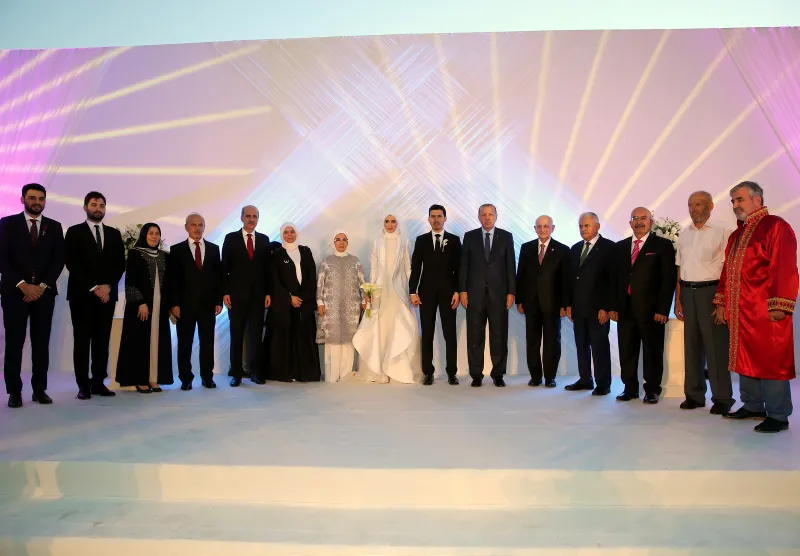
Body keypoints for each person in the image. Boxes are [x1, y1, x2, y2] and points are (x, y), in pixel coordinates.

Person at [715, 181, 798, 433]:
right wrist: (721, 302)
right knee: (743, 357)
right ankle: (752, 405)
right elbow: (727, 272)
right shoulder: (737, 234)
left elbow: (783, 266)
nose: (735, 205)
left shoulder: (775, 226)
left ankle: (778, 414)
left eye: (739, 199)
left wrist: (779, 303)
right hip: (740, 309)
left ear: (757, 199)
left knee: (771, 359)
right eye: (733, 201)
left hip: (764, 309)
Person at [0, 183, 65, 408]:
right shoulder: (7, 224)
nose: (37, 202)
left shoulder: (54, 227)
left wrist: (41, 287)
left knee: (41, 343)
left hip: (44, 295)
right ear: (22, 199)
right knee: (14, 344)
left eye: (41, 198)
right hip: (14, 293)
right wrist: (22, 285)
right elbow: (2, 259)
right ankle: (14, 392)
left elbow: (58, 260)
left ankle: (39, 390)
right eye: (32, 198)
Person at [674, 191, 734, 415]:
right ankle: (694, 395)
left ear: (710, 206)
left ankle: (722, 397)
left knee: (715, 346)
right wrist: (678, 299)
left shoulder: (723, 230)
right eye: (690, 205)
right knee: (691, 345)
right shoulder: (684, 234)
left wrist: (722, 300)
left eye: (698, 204)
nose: (694, 209)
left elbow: (728, 268)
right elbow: (680, 268)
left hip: (711, 291)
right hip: (687, 292)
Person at [609, 207, 676, 404]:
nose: (639, 222)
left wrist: (663, 309)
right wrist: (613, 306)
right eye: (635, 218)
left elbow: (668, 280)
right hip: (625, 309)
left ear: (651, 221)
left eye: (643, 218)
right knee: (627, 351)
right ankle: (629, 388)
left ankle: (652, 390)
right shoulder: (620, 247)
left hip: (652, 311)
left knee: (652, 351)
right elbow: (614, 279)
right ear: (630, 222)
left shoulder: (663, 245)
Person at [64, 191, 125, 400]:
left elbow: (120, 264)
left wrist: (107, 286)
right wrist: (94, 287)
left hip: (107, 296)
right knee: (82, 341)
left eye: (101, 205)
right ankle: (83, 385)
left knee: (102, 340)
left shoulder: (113, 234)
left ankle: (98, 382)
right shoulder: (74, 232)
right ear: (85, 207)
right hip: (81, 296)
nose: (98, 209)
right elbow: (72, 263)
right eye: (93, 205)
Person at [353, 214, 421, 384]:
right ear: (383, 223)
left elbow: (408, 268)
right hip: (380, 292)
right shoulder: (377, 242)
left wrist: (413, 291)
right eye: (387, 221)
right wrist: (370, 291)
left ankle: (398, 370)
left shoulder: (404, 241)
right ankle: (379, 372)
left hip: (398, 293)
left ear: (397, 223)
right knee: (380, 328)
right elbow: (374, 268)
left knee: (399, 326)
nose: (390, 224)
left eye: (393, 221)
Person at [459, 204, 516, 387]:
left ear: (496, 216)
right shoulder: (470, 236)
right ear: (478, 217)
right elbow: (464, 265)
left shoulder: (506, 237)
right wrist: (463, 290)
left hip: (499, 295)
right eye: (483, 214)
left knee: (499, 335)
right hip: (474, 294)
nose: (487, 217)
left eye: (490, 214)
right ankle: (476, 374)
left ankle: (498, 374)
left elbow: (510, 266)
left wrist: (511, 291)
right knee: (475, 335)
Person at [115, 223, 173, 392]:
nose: (154, 236)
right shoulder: (135, 254)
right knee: (140, 343)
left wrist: (170, 305)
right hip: (140, 307)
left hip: (160, 307)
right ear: (144, 235)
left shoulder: (164, 256)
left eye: (157, 233)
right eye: (151, 233)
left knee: (157, 341)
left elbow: (169, 283)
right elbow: (130, 282)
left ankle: (153, 378)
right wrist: (140, 302)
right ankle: (140, 379)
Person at [169, 213, 224, 390]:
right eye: (193, 225)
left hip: (208, 305)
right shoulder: (176, 250)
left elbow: (218, 278)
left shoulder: (214, 249)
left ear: (204, 227)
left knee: (207, 343)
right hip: (184, 306)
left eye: (200, 224)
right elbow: (172, 280)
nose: (197, 228)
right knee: (185, 343)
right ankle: (186, 378)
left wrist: (218, 301)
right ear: (186, 227)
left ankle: (207, 377)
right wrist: (174, 304)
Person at [409, 204, 462, 386]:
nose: (436, 220)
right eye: (433, 216)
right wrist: (412, 291)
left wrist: (457, 291)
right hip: (426, 293)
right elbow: (416, 267)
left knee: (450, 333)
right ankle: (428, 372)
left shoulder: (454, 240)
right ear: (428, 219)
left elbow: (459, 269)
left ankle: (452, 372)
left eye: (440, 216)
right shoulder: (421, 240)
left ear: (445, 219)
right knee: (427, 333)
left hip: (449, 293)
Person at [516, 215, 570, 388]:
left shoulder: (563, 249)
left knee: (552, 342)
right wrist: (520, 300)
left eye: (546, 226)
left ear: (553, 228)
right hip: (531, 303)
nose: (542, 229)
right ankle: (535, 376)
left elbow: (565, 280)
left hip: (553, 304)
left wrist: (565, 304)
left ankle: (550, 377)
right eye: (539, 226)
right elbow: (521, 275)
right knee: (532, 341)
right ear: (535, 229)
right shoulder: (526, 248)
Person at [565, 212, 615, 395]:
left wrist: (606, 307)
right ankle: (585, 379)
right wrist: (568, 304)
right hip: (578, 307)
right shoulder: (575, 248)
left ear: (597, 226)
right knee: (581, 346)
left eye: (586, 225)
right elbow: (570, 279)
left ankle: (603, 383)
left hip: (598, 309)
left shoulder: (609, 248)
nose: (583, 229)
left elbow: (612, 281)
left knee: (599, 347)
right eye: (580, 226)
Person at [221, 205, 271, 387]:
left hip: (258, 296)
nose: (251, 219)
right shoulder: (231, 238)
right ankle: (236, 374)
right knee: (236, 336)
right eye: (248, 216)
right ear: (241, 218)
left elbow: (267, 269)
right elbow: (224, 267)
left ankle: (256, 372)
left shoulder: (264, 239)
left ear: (258, 219)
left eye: (254, 216)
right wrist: (225, 292)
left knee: (256, 335)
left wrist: (268, 292)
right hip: (236, 296)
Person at [266, 223, 321, 382]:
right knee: (286, 339)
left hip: (304, 303)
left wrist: (302, 298)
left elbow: (311, 276)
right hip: (285, 305)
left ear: (296, 233)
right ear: (282, 235)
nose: (289, 235)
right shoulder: (277, 254)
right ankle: (287, 373)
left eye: (292, 231)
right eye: (286, 232)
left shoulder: (305, 251)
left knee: (304, 339)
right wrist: (289, 298)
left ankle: (304, 374)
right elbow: (274, 280)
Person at [316, 230, 366, 383]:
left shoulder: (355, 261)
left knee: (348, 340)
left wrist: (365, 300)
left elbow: (362, 283)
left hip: (352, 307)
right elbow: (320, 284)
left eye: (344, 239)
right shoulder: (327, 261)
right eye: (338, 239)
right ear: (334, 242)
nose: (341, 242)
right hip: (330, 307)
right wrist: (320, 302)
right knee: (333, 340)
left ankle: (345, 376)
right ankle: (331, 376)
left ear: (348, 242)